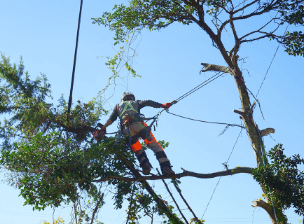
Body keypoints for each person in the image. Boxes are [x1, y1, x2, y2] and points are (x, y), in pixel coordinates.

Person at [94, 92, 175, 176]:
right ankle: (166, 168)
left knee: (137, 148)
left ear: (123, 98)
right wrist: (162, 105)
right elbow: (148, 102)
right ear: (132, 98)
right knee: (155, 146)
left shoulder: (117, 106)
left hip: (127, 131)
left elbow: (110, 120)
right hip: (139, 126)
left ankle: (145, 166)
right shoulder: (135, 102)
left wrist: (103, 128)